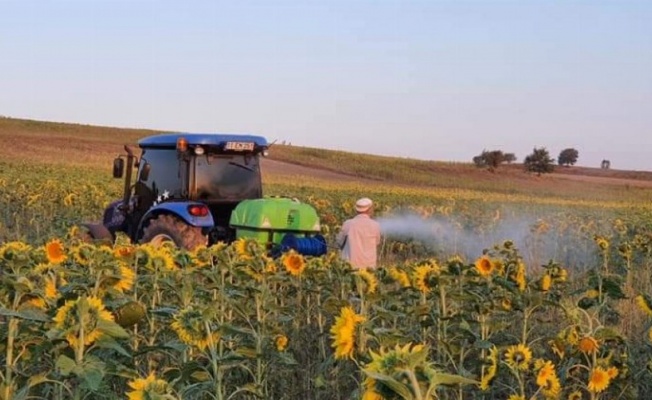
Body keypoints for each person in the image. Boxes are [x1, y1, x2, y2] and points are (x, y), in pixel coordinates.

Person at [336, 197, 381, 269]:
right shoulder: (375, 225)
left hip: (350, 266)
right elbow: (377, 242)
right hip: (369, 267)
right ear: (369, 210)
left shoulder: (348, 223)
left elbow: (339, 242)